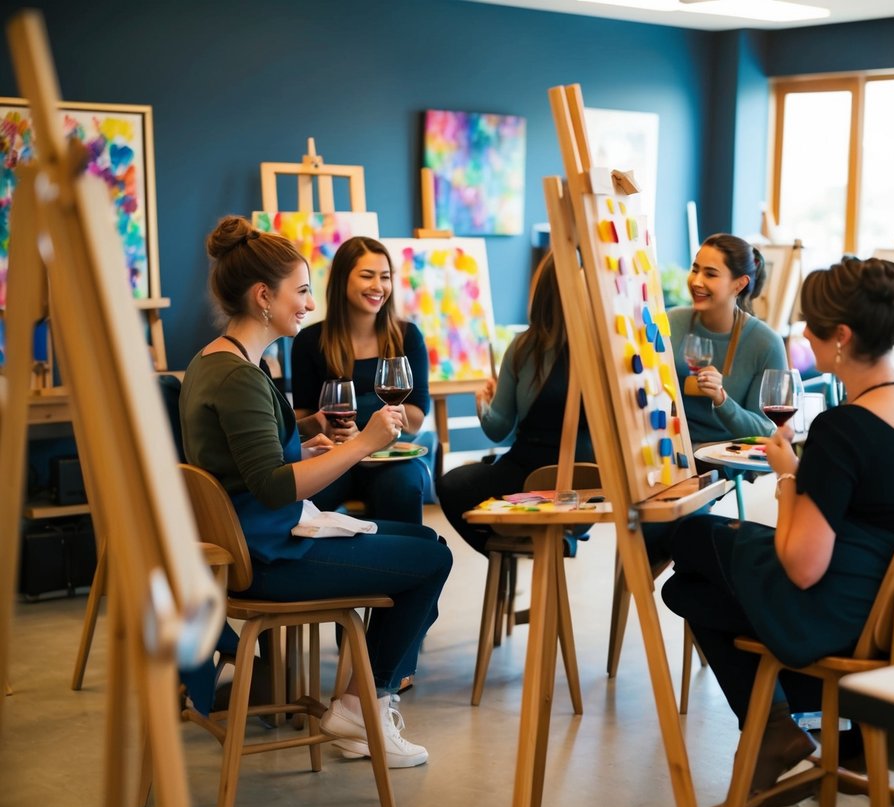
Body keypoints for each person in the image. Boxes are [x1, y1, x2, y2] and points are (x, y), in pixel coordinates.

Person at [659, 256, 894, 807]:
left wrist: (788, 476)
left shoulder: (844, 428)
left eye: (811, 326)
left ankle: (775, 728)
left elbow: (801, 565)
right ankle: (813, 732)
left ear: (842, 337)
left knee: (693, 541)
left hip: (841, 616)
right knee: (688, 589)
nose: (802, 336)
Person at [179, 216, 452, 768]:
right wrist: (362, 442)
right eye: (300, 290)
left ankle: (363, 699)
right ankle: (362, 703)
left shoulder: (218, 362)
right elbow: (275, 486)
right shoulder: (239, 378)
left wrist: (305, 433)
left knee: (422, 541)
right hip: (271, 554)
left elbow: (248, 460)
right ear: (263, 297)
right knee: (431, 557)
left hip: (253, 542)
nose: (307, 303)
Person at [437, 251, 592, 555]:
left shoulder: (531, 347)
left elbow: (499, 430)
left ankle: (523, 546)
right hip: (557, 472)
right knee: (458, 483)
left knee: (453, 486)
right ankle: (523, 547)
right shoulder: (530, 347)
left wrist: (483, 404)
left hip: (557, 473)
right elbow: (501, 431)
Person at [290, 236, 432, 524]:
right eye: (367, 276)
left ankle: (405, 564)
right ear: (343, 280)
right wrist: (325, 427)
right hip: (334, 456)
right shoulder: (309, 341)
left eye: (385, 277)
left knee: (403, 487)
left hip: (390, 457)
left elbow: (416, 418)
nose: (378, 286)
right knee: (305, 501)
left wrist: (370, 432)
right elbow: (303, 415)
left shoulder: (407, 337)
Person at [669, 233, 788, 443]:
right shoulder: (670, 322)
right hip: (668, 451)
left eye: (710, 274)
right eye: (695, 270)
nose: (696, 281)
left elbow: (767, 429)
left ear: (739, 284)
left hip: (729, 464)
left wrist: (721, 398)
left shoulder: (767, 344)